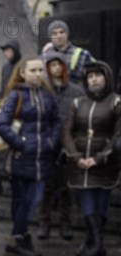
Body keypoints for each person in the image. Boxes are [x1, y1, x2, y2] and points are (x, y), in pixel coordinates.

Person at [0, 57, 60, 256]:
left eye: (41, 70)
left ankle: (17, 238)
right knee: (20, 201)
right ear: (23, 72)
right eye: (33, 70)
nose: (38, 74)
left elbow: (57, 121)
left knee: (33, 200)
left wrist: (51, 142)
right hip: (21, 158)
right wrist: (22, 143)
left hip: (42, 158)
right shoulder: (16, 95)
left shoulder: (47, 95)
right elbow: (2, 124)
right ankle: (20, 239)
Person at [62, 61, 120, 256]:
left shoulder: (116, 102)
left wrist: (100, 158)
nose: (94, 79)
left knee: (101, 206)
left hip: (104, 165)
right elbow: (67, 132)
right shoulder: (78, 103)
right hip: (80, 164)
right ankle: (96, 244)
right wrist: (77, 156)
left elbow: (118, 135)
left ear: (107, 78)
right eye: (90, 76)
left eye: (98, 75)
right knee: (87, 203)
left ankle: (92, 242)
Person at [37, 52, 84, 240]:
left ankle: (66, 223)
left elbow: (80, 120)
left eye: (59, 65)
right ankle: (44, 223)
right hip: (47, 144)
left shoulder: (76, 91)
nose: (56, 68)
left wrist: (72, 144)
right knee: (45, 187)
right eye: (52, 65)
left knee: (66, 187)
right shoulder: (42, 90)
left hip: (67, 145)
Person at [42, 20, 94, 85]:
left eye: (62, 32)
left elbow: (93, 76)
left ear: (67, 34)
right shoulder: (45, 55)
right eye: (54, 33)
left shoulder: (82, 54)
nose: (59, 36)